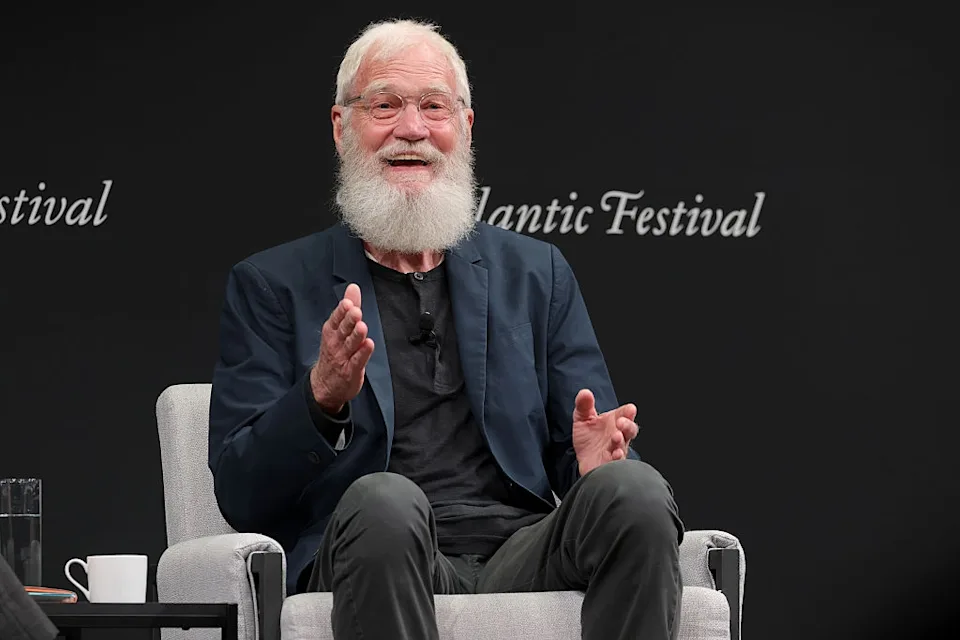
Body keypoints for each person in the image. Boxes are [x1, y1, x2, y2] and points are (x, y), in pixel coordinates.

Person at [208, 18, 684, 640]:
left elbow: (587, 444)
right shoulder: (273, 284)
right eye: (385, 105)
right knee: (385, 499)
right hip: (376, 546)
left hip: (523, 550)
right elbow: (242, 494)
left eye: (434, 106)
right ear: (341, 126)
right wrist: (319, 398)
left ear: (464, 127)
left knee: (636, 491)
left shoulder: (536, 272)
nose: (411, 129)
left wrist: (593, 464)